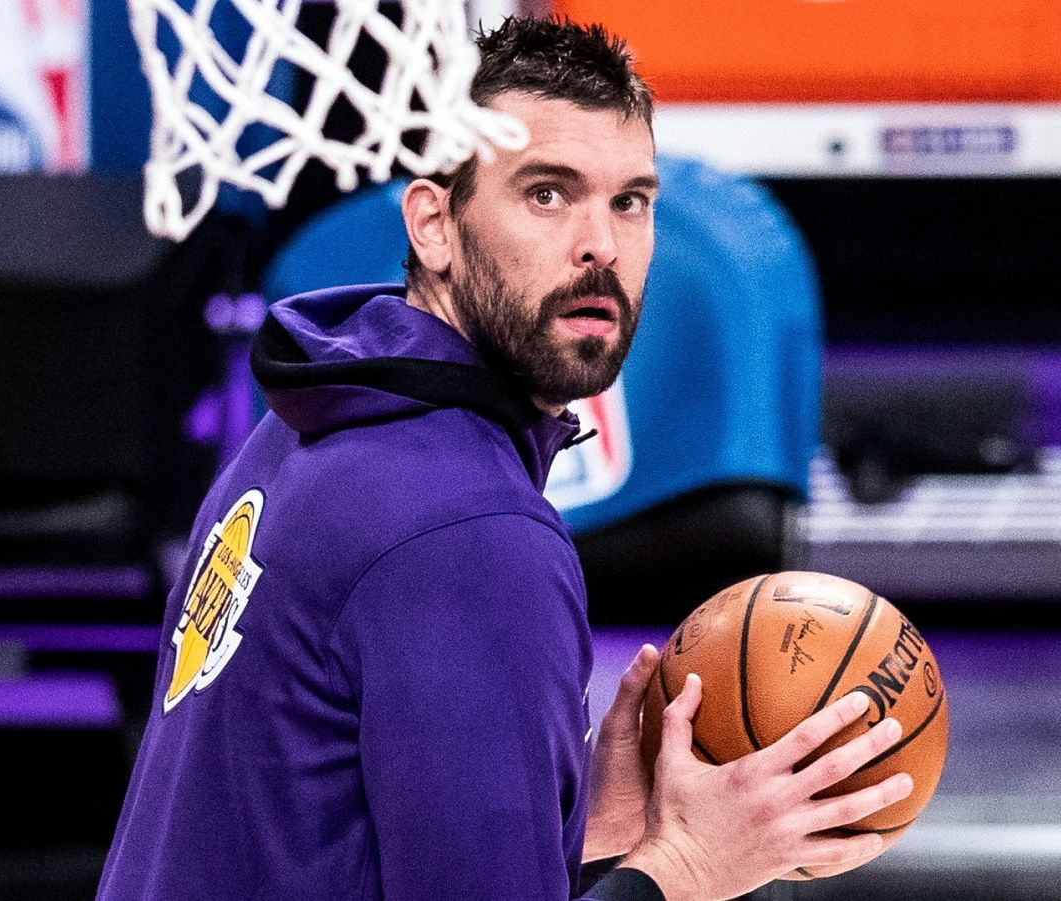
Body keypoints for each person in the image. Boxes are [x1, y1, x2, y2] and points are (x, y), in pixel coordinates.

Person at [97, 17, 912, 901]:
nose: (600, 244)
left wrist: (570, 812)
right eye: (547, 194)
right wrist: (684, 867)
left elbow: (310, 828)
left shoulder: (307, 422)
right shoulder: (469, 533)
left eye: (630, 201)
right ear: (434, 225)